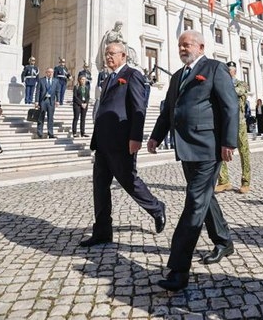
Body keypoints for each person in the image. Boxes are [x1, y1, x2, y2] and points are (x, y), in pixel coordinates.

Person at [147, 30, 238, 292]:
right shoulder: (177, 76)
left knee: (194, 203)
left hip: (208, 148)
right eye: (179, 45)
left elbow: (229, 106)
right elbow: (169, 110)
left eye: (187, 44)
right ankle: (224, 241)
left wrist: (228, 142)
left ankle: (178, 269)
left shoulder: (214, 68)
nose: (182, 48)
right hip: (186, 148)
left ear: (200, 46)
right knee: (204, 197)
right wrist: (156, 137)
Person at [80, 42, 166, 247]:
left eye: (112, 53)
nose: (108, 57)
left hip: (121, 141)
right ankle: (102, 231)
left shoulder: (132, 75)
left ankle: (156, 208)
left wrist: (135, 138)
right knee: (100, 187)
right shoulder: (108, 78)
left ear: (123, 55)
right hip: (102, 141)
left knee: (129, 181)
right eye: (106, 53)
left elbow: (139, 108)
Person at [215, 61, 251, 194]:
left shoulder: (241, 84)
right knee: (219, 151)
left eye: (229, 70)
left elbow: (235, 92)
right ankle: (224, 181)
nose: (226, 73)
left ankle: (246, 181)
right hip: (224, 123)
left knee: (244, 152)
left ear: (234, 71)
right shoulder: (222, 85)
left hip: (239, 123)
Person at [35, 67, 61, 139]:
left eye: (52, 72)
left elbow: (57, 91)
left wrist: (58, 100)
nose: (50, 74)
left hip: (51, 101)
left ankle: (50, 133)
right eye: (49, 72)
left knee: (50, 118)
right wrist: (36, 101)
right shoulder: (41, 80)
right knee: (41, 117)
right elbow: (38, 91)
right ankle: (39, 132)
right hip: (43, 101)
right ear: (46, 73)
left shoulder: (56, 81)